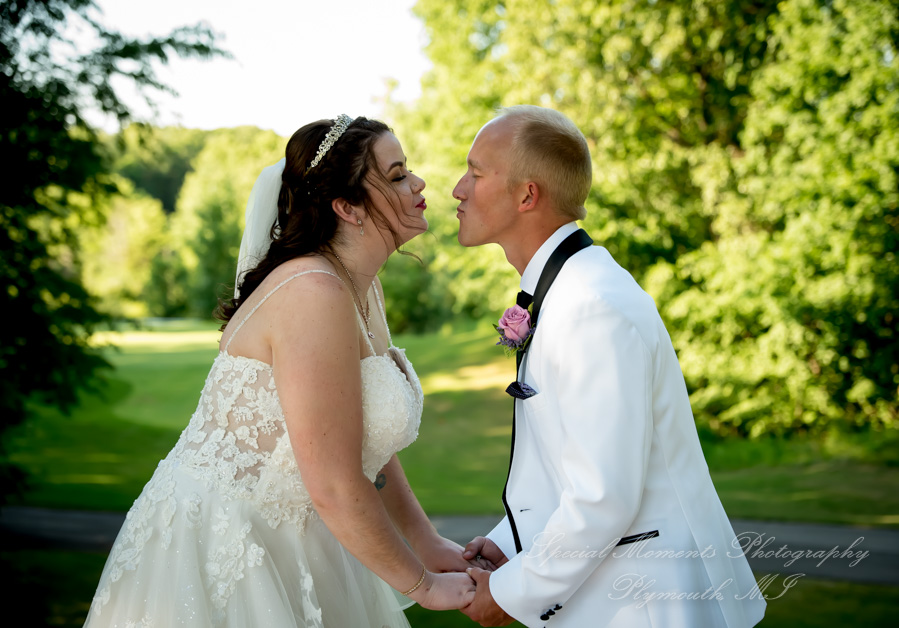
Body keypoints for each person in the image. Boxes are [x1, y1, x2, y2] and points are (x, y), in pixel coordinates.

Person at [85, 115, 476, 627]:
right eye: (398, 174)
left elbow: (360, 441)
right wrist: (423, 588)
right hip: (228, 543)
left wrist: (425, 541)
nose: (419, 183)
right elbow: (334, 483)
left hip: (305, 535)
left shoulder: (362, 288)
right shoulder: (313, 292)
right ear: (347, 206)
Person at [451, 106, 767, 627]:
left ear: (527, 195)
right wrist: (513, 543)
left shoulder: (589, 305)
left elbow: (604, 497)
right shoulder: (570, 291)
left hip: (650, 605)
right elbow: (569, 464)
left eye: (475, 172)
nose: (458, 189)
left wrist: (510, 592)